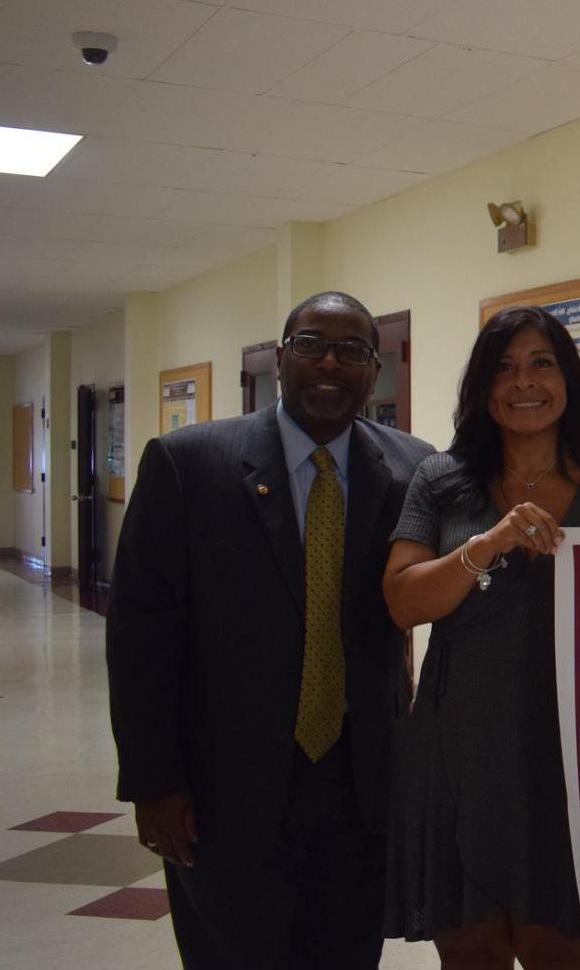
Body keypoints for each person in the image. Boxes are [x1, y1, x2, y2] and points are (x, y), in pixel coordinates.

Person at [107, 291, 434, 969]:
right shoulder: (186, 464)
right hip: (222, 789)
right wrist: (153, 783)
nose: (329, 363)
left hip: (359, 787)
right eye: (311, 344)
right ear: (281, 358)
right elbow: (142, 638)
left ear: (375, 369)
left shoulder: (412, 469)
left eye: (352, 351)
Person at [381, 306, 580, 968]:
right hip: (458, 740)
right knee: (470, 947)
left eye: (541, 363)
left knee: (558, 947)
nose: (523, 381)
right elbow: (402, 602)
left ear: (570, 382)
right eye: (503, 367)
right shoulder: (441, 481)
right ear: (481, 385)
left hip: (570, 748)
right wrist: (485, 546)